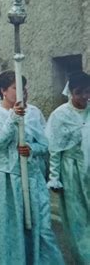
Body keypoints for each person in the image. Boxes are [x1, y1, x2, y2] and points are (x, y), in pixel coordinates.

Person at [0, 71, 63, 264]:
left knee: (42, 228)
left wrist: (31, 149)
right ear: (3, 91)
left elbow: (45, 144)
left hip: (31, 179)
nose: (23, 92)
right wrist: (13, 119)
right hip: (3, 180)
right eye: (16, 88)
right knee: (8, 229)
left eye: (24, 88)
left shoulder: (33, 113)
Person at [46, 71, 90, 264]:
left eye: (87, 92)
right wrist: (54, 177)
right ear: (71, 92)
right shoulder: (60, 115)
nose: (83, 97)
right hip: (71, 171)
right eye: (78, 92)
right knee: (77, 218)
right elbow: (55, 149)